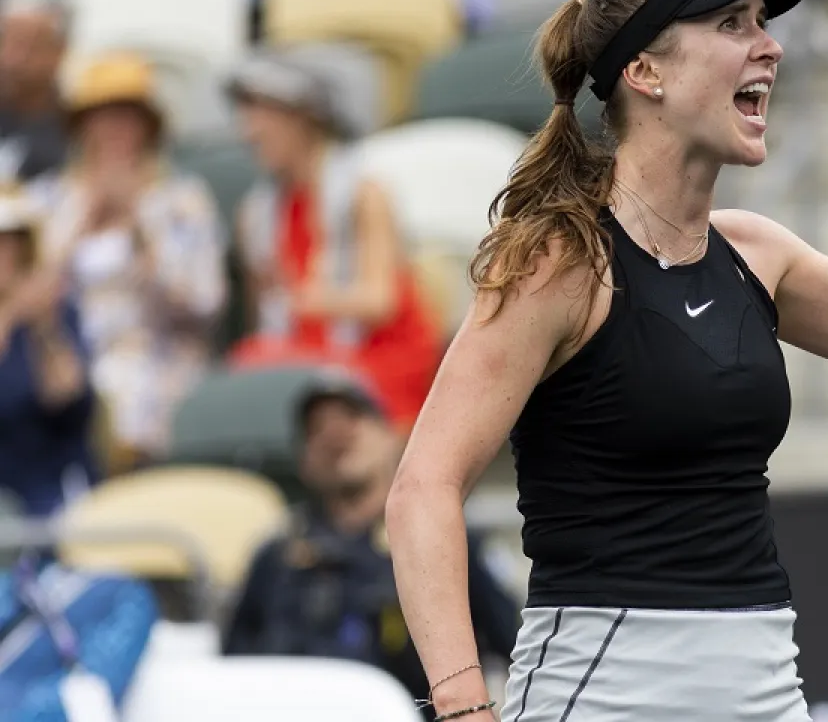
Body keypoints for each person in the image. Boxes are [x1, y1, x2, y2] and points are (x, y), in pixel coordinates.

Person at [385, 0, 828, 722]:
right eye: (732, 23)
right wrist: (463, 705)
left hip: (765, 692)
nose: (770, 46)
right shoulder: (558, 262)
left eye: (763, 21)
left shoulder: (758, 253)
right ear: (645, 72)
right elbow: (423, 489)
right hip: (601, 697)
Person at [224, 370, 517, 711]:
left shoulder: (444, 542)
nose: (334, 434)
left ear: (392, 438)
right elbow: (233, 671)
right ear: (303, 462)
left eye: (352, 417)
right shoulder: (276, 556)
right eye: (316, 428)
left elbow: (512, 644)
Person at [226, 49, 442, 433]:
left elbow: (379, 300)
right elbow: (266, 321)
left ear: (304, 118)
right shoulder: (256, 215)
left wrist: (303, 299)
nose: (250, 131)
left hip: (381, 359)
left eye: (264, 113)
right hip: (309, 357)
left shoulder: (364, 194)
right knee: (246, 370)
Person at [28, 53, 225, 469]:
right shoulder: (47, 200)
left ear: (149, 127)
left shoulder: (182, 200)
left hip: (159, 362)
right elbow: (27, 298)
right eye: (102, 116)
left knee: (132, 404)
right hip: (68, 361)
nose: (114, 129)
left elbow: (204, 304)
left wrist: (139, 231)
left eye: (127, 116)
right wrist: (81, 225)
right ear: (81, 126)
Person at [0, 187, 94, 517]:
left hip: (45, 485)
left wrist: (43, 326)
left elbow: (68, 397)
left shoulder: (55, 312)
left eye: (11, 240)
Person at [0, 0, 71, 184]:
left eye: (30, 46)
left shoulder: (78, 125)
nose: (13, 60)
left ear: (60, 51)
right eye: (7, 42)